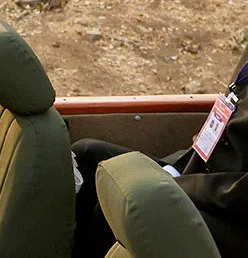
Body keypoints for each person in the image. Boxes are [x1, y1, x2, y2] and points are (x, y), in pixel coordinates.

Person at [72, 43, 248, 258]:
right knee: (86, 154)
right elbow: (225, 122)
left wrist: (175, 186)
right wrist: (175, 168)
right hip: (209, 173)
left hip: (235, 214)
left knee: (127, 205)